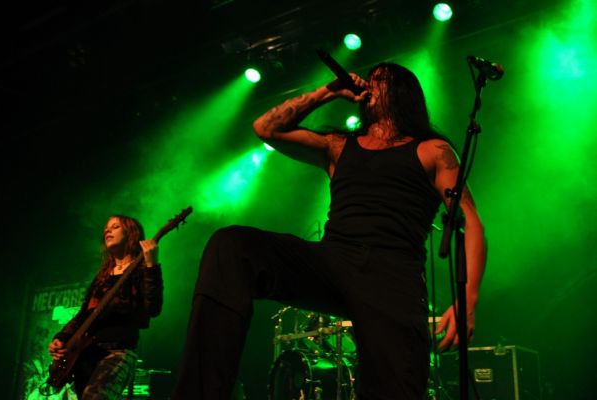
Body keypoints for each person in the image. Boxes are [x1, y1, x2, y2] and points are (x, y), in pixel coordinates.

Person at [172, 62, 487, 399]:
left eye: (380, 80)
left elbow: (471, 222)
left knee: (395, 388)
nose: (370, 84)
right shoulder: (338, 145)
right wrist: (327, 92)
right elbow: (266, 128)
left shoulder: (432, 150)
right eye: (370, 78)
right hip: (335, 260)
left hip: (393, 275)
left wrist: (467, 299)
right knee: (232, 246)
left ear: (402, 92)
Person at [48, 215, 164, 399]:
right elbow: (83, 315)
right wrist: (62, 338)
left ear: (131, 234)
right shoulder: (102, 277)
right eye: (106, 228)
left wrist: (152, 265)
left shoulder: (142, 270)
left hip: (117, 351)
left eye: (115, 227)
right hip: (86, 354)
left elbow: (153, 308)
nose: (107, 230)